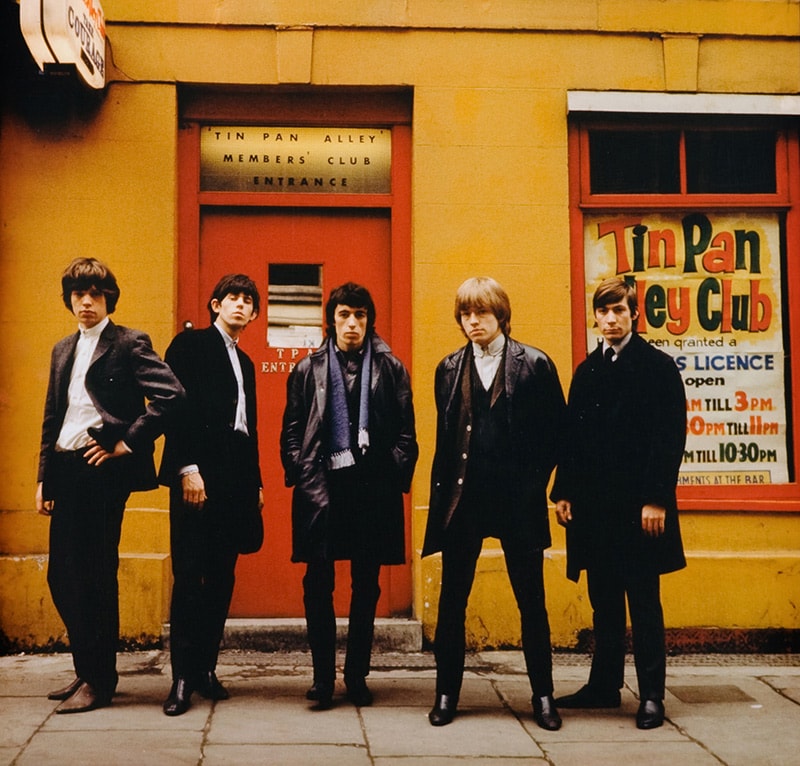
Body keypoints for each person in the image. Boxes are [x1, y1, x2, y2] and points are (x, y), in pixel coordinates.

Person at [36, 257, 184, 714]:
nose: (86, 302)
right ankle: (90, 669)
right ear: (69, 300)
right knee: (62, 576)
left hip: (100, 469)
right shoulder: (63, 349)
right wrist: (43, 476)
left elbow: (172, 396)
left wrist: (127, 441)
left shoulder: (128, 343)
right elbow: (51, 418)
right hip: (65, 468)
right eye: (78, 295)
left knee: (95, 574)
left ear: (108, 299)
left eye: (95, 294)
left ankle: (98, 680)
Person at [422, 276, 566, 731]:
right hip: (463, 502)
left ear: (500, 315)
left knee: (531, 601)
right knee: (452, 602)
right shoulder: (448, 368)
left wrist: (533, 483)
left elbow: (556, 437)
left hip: (516, 501)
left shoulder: (535, 364)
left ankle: (543, 696)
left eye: (481, 313)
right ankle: (446, 693)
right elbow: (447, 442)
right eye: (465, 314)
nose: (473, 322)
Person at [551, 276, 686, 730]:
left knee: (644, 601)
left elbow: (669, 439)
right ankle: (604, 686)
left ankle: (651, 696)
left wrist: (656, 500)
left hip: (639, 509)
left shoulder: (658, 368)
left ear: (634, 316)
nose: (610, 320)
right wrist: (564, 491)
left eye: (619, 312)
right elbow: (571, 438)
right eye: (603, 312)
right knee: (604, 600)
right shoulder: (587, 370)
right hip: (596, 510)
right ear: (595, 316)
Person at [280, 282, 418, 710]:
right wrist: (302, 472)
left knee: (366, 585)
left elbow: (406, 435)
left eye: (360, 315)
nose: (352, 324)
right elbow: (291, 430)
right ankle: (322, 679)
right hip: (322, 489)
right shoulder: (307, 368)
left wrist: (386, 471)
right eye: (344, 315)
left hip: (370, 491)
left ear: (369, 319)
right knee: (318, 583)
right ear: (332, 320)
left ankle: (356, 676)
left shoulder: (391, 367)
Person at [158, 274, 264, 716]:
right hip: (197, 476)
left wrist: (256, 481)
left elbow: (247, 428)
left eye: (248, 302)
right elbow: (174, 410)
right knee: (189, 576)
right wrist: (186, 468)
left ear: (255, 314)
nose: (240, 306)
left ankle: (205, 668)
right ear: (215, 304)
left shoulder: (248, 363)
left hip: (236, 479)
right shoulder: (189, 346)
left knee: (222, 577)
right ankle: (181, 678)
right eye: (232, 299)